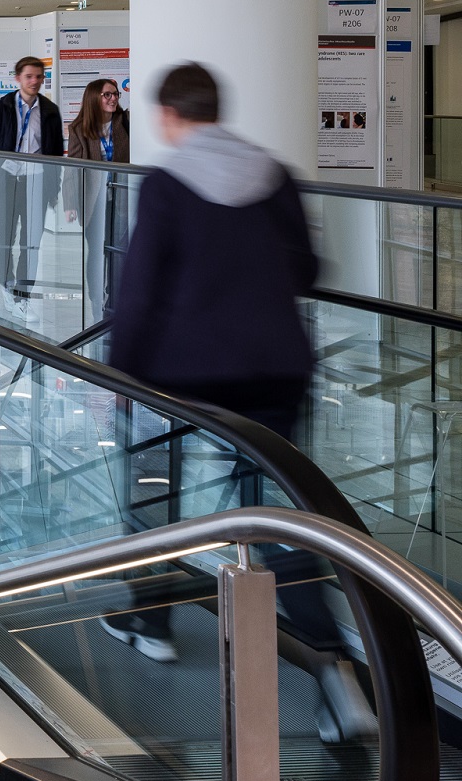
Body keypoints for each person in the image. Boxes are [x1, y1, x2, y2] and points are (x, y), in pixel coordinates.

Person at [105, 61, 377, 744]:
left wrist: (118, 377)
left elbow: (138, 295)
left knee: (151, 492)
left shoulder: (167, 185)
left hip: (186, 379)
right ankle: (337, 673)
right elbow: (310, 270)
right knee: (283, 523)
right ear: (216, 108)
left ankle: (153, 621)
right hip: (278, 373)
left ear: (169, 115)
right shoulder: (274, 174)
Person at [0, 56, 63, 322]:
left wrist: (54, 190)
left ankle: (23, 296)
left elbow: (55, 155)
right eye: (29, 77)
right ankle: (6, 285)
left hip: (36, 183)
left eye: (38, 77)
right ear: (18, 79)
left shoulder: (50, 111)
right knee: (4, 240)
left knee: (31, 243)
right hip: (5, 182)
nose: (34, 81)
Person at [64, 77, 131, 316]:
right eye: (107, 95)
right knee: (96, 252)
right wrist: (70, 202)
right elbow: (72, 167)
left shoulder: (125, 122)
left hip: (121, 198)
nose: (113, 99)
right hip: (94, 200)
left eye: (115, 94)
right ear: (94, 98)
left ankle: (114, 303)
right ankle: (95, 302)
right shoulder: (79, 129)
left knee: (119, 251)